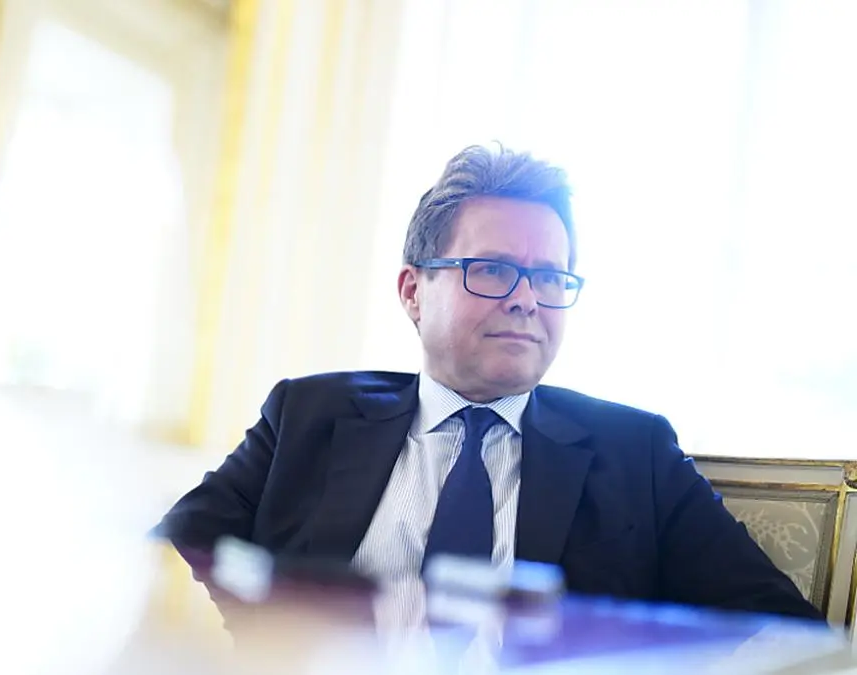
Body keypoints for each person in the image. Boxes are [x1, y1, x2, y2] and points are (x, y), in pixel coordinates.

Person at [155, 145, 822, 628]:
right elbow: (171, 558)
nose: (527, 298)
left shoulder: (636, 451)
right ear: (414, 291)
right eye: (494, 270)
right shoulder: (308, 415)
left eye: (551, 276)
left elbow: (779, 628)